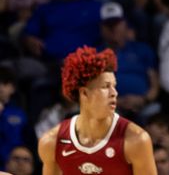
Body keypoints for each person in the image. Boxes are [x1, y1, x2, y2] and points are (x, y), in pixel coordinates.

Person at [37, 46, 156, 174]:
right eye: (106, 87)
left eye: (114, 86)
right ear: (84, 93)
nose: (114, 93)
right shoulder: (52, 142)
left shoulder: (137, 140)